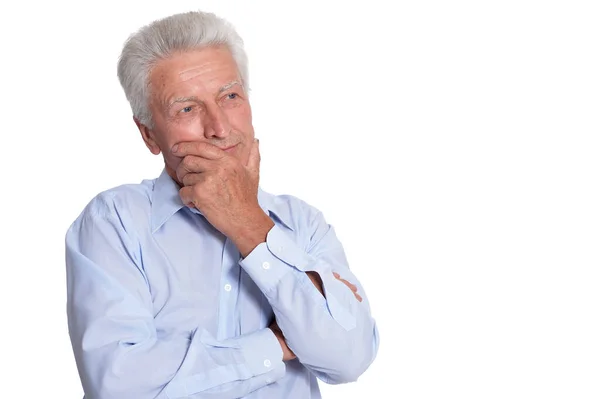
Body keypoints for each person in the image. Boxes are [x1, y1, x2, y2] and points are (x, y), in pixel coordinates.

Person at [65, 10, 379, 399]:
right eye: (187, 109)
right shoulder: (114, 223)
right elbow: (119, 385)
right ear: (149, 135)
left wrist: (248, 221)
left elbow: (348, 357)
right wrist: (274, 346)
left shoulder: (303, 224)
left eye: (230, 96)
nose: (219, 128)